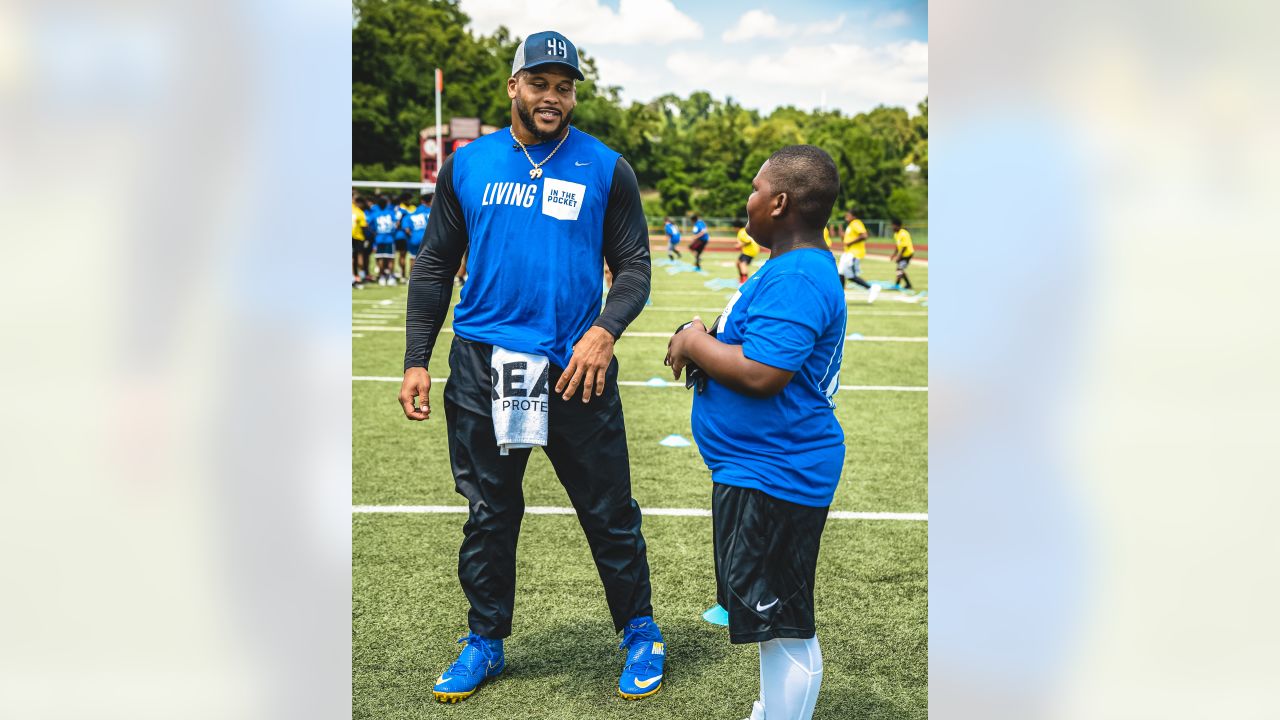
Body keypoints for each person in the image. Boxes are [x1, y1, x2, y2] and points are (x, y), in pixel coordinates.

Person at [399, 29, 664, 704]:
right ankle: (485, 640)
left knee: (609, 511)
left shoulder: (606, 166)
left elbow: (634, 265)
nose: (553, 97)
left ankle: (639, 630)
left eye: (565, 86)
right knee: (490, 512)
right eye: (540, 83)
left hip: (577, 367)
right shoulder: (469, 163)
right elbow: (433, 264)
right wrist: (415, 360)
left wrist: (605, 331)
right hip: (483, 364)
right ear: (514, 86)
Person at [666, 145, 846, 720]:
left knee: (784, 624)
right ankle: (771, 710)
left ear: (781, 202)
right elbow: (749, 346)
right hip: (757, 467)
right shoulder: (786, 268)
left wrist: (695, 342)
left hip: (778, 470)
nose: (749, 200)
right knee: (768, 621)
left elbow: (762, 373)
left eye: (755, 189)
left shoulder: (798, 273)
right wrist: (702, 333)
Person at [839, 209, 880, 303]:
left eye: (848, 215)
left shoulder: (856, 223)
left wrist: (850, 242)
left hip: (854, 253)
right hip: (847, 253)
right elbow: (845, 241)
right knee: (840, 273)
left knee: (850, 275)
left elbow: (864, 235)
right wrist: (842, 234)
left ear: (854, 216)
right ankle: (841, 296)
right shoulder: (850, 225)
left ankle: (872, 288)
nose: (846, 217)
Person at [369, 195, 397, 285]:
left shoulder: (375, 213)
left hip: (379, 238)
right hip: (389, 238)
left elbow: (368, 224)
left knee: (380, 258)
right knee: (390, 258)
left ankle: (382, 277)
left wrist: (374, 233)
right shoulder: (391, 213)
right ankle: (390, 277)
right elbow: (396, 224)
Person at [402, 194, 429, 277]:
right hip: (426, 238)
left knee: (413, 258)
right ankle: (424, 276)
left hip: (414, 238)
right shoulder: (428, 212)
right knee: (426, 258)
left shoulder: (410, 215)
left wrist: (413, 235)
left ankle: (412, 277)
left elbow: (406, 229)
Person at [393, 193, 413, 280]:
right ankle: (403, 275)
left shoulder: (396, 209)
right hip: (403, 235)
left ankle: (401, 274)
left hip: (396, 235)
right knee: (403, 255)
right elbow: (398, 223)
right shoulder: (403, 210)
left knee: (399, 255)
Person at [889, 218, 915, 290]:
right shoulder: (896, 234)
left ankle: (902, 285)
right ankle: (905, 285)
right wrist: (894, 255)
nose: (892, 227)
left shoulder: (904, 234)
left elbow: (904, 247)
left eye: (893, 225)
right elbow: (898, 246)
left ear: (898, 226)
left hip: (907, 255)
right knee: (900, 270)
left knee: (899, 269)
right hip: (902, 255)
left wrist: (898, 256)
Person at [352, 192, 369, 286]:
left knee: (353, 258)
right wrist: (367, 238)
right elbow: (364, 227)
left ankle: (355, 276)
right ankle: (360, 276)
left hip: (354, 237)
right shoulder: (359, 212)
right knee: (359, 256)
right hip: (357, 237)